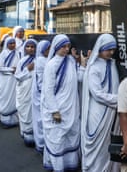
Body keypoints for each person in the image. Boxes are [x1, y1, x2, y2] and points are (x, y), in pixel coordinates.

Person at [41, 34, 86, 172]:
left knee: (71, 137)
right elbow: (48, 90)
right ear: (56, 47)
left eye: (68, 46)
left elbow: (79, 79)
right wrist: (54, 110)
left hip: (72, 107)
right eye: (63, 47)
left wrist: (83, 65)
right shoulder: (51, 65)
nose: (66, 49)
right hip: (58, 109)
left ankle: (69, 165)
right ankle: (58, 167)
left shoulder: (71, 61)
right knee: (57, 139)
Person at [81, 33, 119, 172]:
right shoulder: (93, 68)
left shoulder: (113, 64)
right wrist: (118, 100)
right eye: (107, 49)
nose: (110, 52)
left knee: (107, 144)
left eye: (113, 50)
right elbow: (97, 94)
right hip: (98, 112)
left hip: (111, 111)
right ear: (100, 48)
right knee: (97, 143)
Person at [14, 38, 37, 146]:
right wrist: (28, 69)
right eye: (28, 47)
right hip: (24, 91)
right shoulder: (22, 61)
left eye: (32, 47)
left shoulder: (39, 60)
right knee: (24, 111)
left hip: (35, 91)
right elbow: (17, 76)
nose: (30, 49)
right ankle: (27, 134)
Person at [0, 36, 20, 127]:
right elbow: (0, 67)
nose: (12, 45)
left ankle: (14, 120)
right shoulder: (3, 54)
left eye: (14, 43)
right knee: (5, 98)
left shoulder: (18, 53)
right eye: (10, 43)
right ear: (7, 44)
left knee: (14, 98)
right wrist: (10, 69)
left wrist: (17, 70)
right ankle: (5, 121)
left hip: (14, 80)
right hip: (5, 81)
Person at [31, 39, 51, 153]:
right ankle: (41, 144)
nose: (49, 51)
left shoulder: (44, 60)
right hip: (40, 93)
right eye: (47, 49)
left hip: (42, 93)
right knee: (40, 120)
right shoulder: (41, 61)